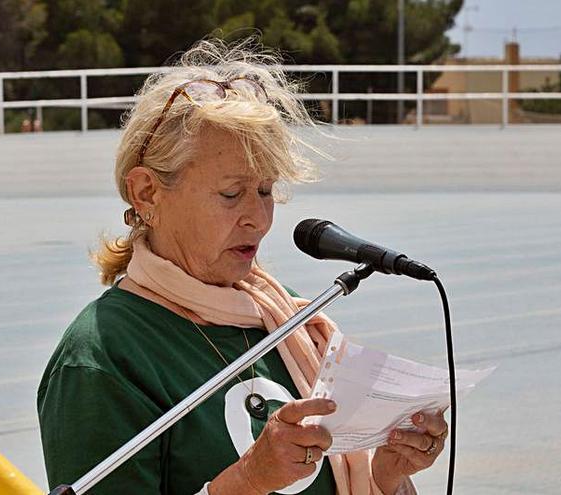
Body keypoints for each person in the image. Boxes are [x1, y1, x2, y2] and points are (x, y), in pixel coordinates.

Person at [37, 38, 448, 495]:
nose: (259, 217)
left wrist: (385, 476)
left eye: (267, 190)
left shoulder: (283, 316)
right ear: (147, 193)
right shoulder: (100, 355)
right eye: (231, 194)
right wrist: (248, 481)